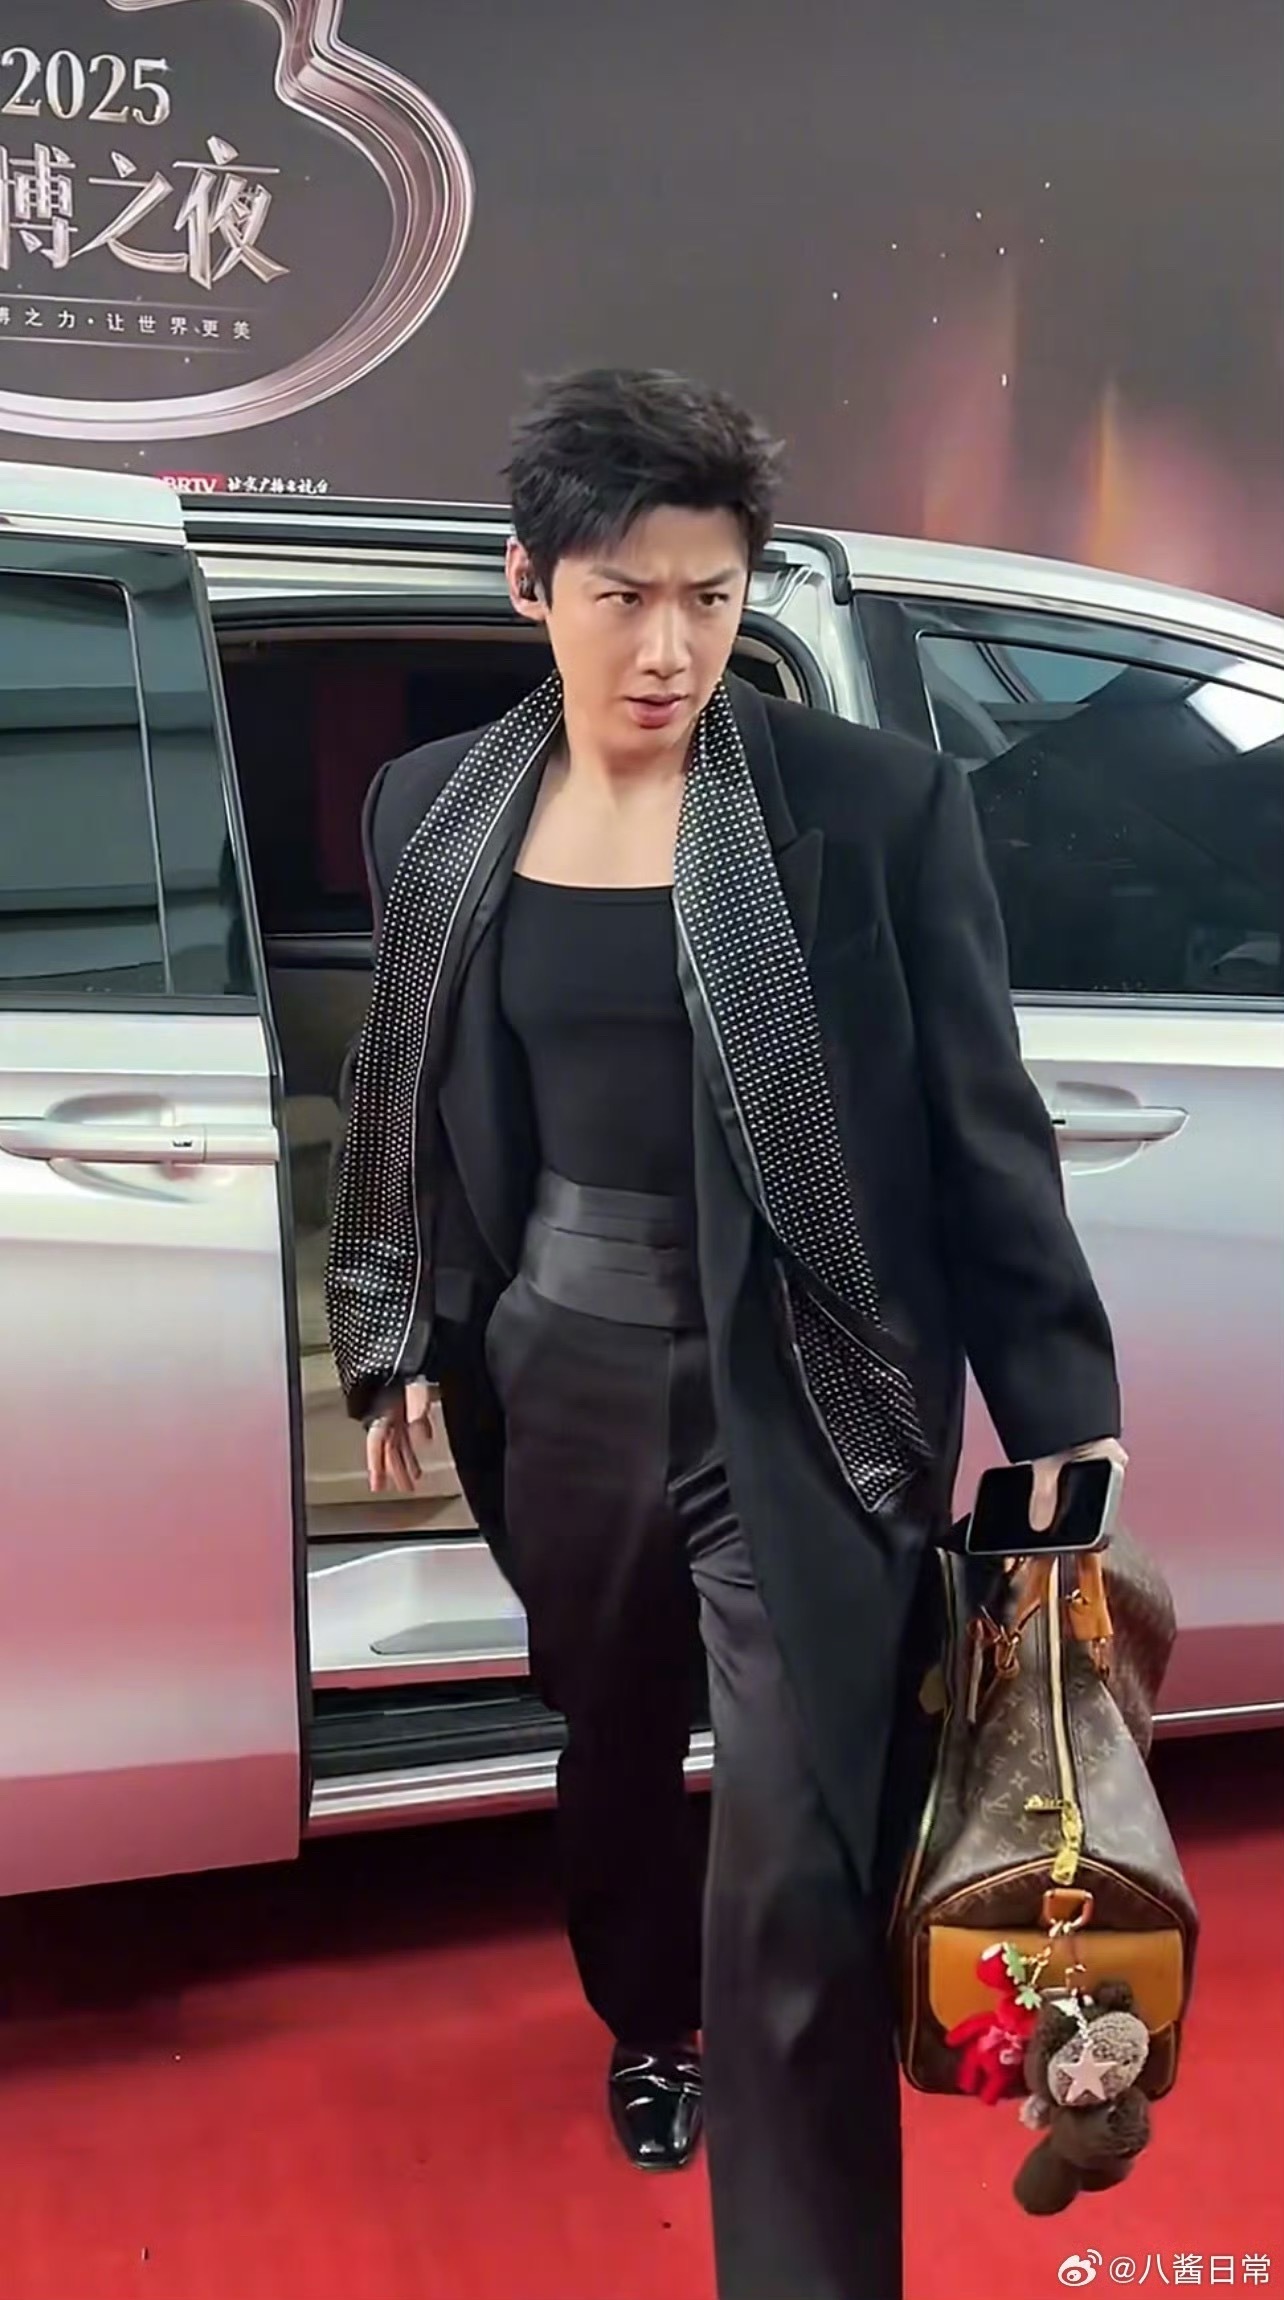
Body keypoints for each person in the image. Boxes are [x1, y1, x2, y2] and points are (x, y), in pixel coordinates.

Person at [325, 367, 1125, 2300]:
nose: (671, 647)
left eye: (710, 596)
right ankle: (643, 2020)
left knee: (798, 1850)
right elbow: (412, 1094)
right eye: (625, 598)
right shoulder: (432, 811)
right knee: (609, 1741)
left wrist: (1058, 1403)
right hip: (560, 1369)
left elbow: (982, 1121)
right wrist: (399, 1326)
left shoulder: (870, 807)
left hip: (809, 1377)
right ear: (530, 586)